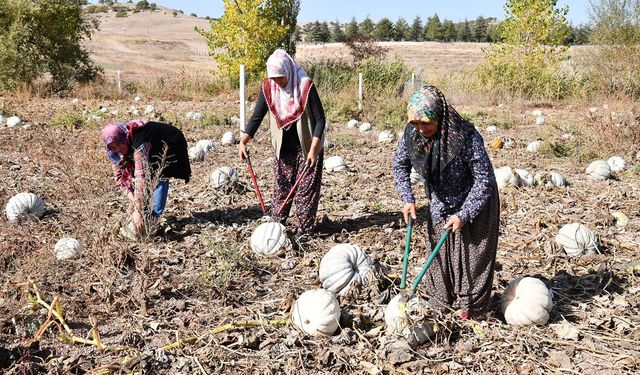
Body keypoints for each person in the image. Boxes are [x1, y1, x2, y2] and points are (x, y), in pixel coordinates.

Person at [391, 85, 500, 319]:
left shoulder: (466, 137)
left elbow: (484, 180)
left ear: (440, 117)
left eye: (426, 123)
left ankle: (471, 309)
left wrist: (464, 213)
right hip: (440, 200)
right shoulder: (412, 135)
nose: (421, 129)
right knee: (439, 255)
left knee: (472, 258)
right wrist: (407, 199)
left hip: (475, 201)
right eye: (415, 123)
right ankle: (441, 301)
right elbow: (399, 165)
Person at [238, 49, 326, 236]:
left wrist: (313, 150)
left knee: (305, 191)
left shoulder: (304, 86)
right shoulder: (268, 88)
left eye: (281, 77)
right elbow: (257, 116)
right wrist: (243, 141)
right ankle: (277, 227)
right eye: (274, 78)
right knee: (282, 187)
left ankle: (305, 231)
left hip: (307, 146)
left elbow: (320, 119)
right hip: (283, 148)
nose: (278, 82)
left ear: (288, 71)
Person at [101, 119, 191, 233]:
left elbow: (141, 177)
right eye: (113, 147)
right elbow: (120, 178)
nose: (118, 149)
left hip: (170, 142)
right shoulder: (113, 152)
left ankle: (153, 219)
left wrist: (137, 211)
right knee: (147, 178)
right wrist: (133, 201)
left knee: (159, 175)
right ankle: (144, 214)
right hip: (151, 146)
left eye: (119, 144)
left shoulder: (139, 141)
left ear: (124, 138)